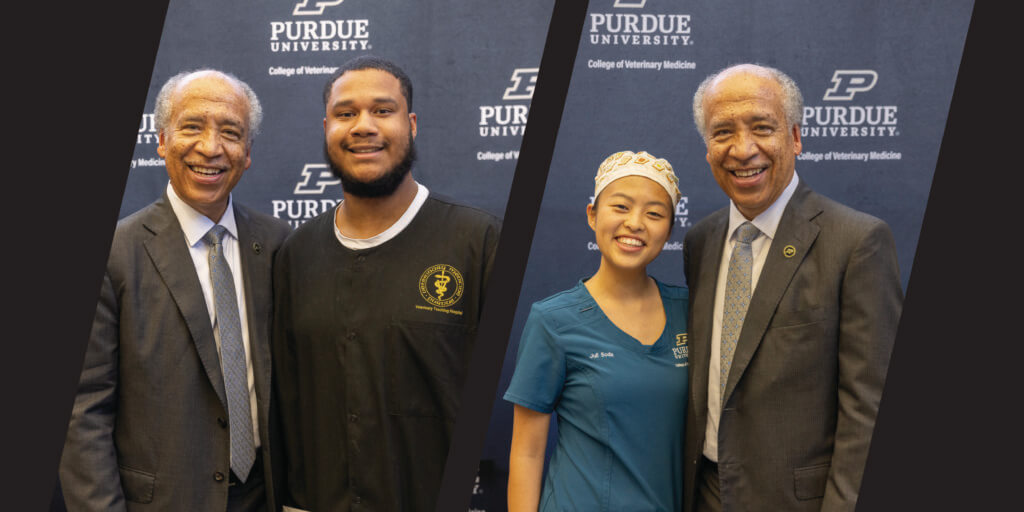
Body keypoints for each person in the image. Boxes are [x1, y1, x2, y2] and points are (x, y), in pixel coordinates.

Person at [271, 55, 501, 512]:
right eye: (345, 113)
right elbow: (290, 406)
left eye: (382, 110)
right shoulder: (296, 254)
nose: (363, 126)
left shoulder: (479, 242)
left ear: (411, 123)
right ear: (326, 128)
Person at [59, 70, 291, 511]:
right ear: (162, 140)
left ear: (247, 154)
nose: (210, 147)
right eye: (192, 126)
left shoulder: (278, 244)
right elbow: (83, 412)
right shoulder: (115, 254)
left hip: (265, 497)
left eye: (230, 133)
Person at [682, 64, 903, 512]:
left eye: (762, 128)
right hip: (703, 493)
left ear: (796, 138)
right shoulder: (699, 242)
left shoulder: (856, 241)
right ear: (708, 149)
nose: (743, 150)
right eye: (723, 132)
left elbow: (870, 409)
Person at [505, 151, 689, 511]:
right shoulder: (553, 320)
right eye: (620, 207)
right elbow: (527, 453)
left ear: (668, 230)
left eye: (654, 213)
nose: (635, 223)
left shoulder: (691, 311)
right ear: (592, 215)